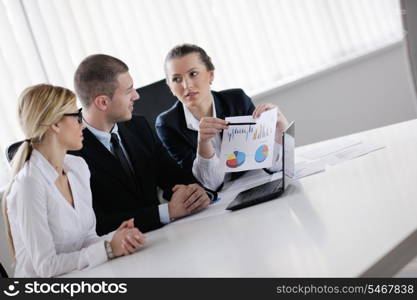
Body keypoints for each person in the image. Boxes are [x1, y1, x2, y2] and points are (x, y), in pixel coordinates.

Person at [1, 84, 145, 277]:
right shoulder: (28, 184)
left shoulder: (77, 167)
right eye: (77, 117)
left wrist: (114, 239)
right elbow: (47, 267)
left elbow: (86, 239)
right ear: (55, 124)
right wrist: (107, 249)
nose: (83, 124)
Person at [71, 54, 213, 236]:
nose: (136, 96)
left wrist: (194, 192)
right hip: (121, 254)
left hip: (167, 238)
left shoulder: (138, 126)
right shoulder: (71, 151)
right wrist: (167, 211)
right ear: (103, 102)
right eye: (129, 91)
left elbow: (174, 177)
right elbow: (97, 224)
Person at [155, 44, 289, 191]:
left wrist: (279, 131)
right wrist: (203, 142)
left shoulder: (237, 100)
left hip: (255, 183)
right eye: (176, 79)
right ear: (169, 87)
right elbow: (210, 185)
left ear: (210, 75)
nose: (186, 85)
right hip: (218, 200)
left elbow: (273, 166)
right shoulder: (167, 124)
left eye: (193, 74)